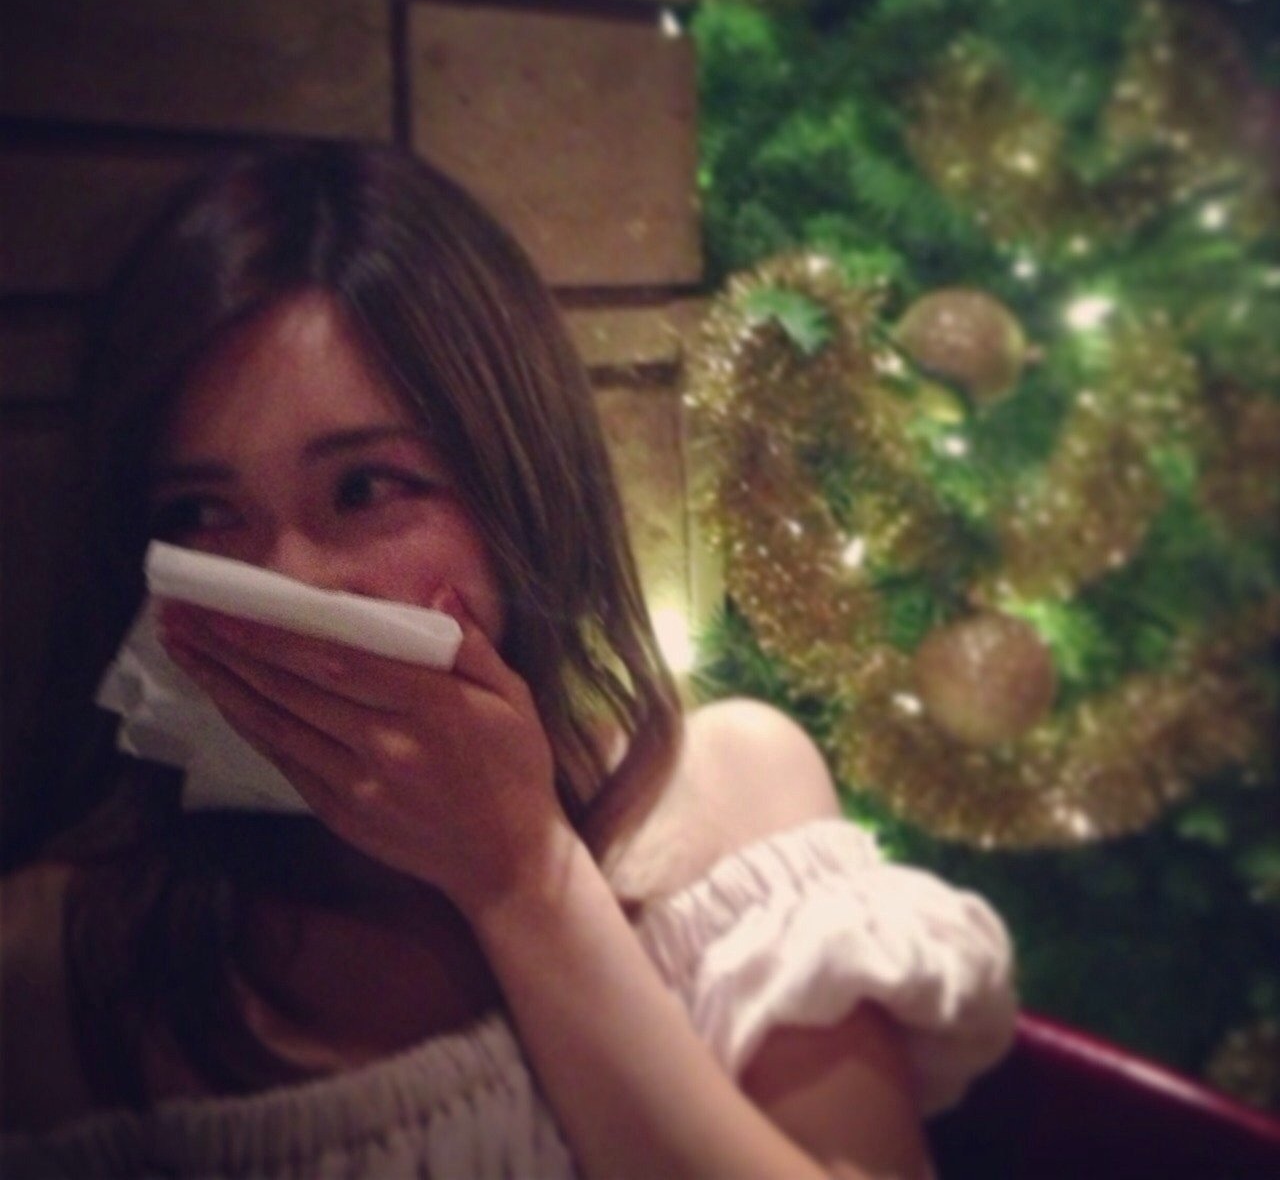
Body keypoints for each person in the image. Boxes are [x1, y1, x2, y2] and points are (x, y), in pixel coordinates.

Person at [0, 142, 1015, 1178]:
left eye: (364, 488)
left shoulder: (729, 800)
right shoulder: (58, 965)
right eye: (201, 513)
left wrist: (524, 876)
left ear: (513, 484)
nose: (289, 582)